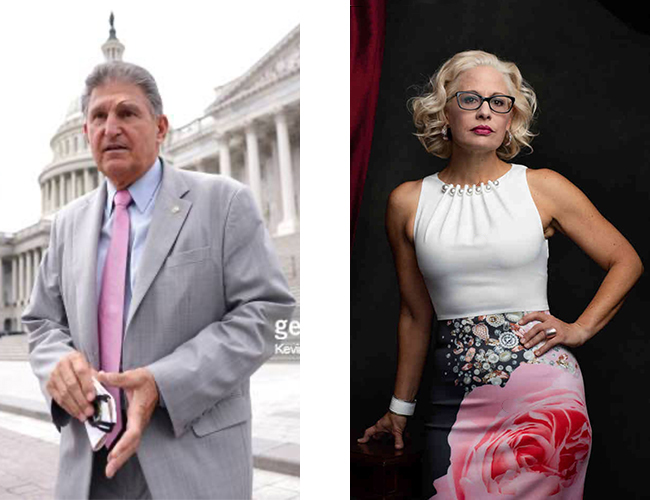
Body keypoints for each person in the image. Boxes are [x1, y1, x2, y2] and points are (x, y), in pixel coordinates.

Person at [357, 50, 643, 498]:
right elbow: (415, 316)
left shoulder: (543, 187)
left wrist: (581, 329)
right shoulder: (407, 202)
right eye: (469, 99)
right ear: (443, 110)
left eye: (500, 101)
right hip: (453, 403)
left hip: (545, 405)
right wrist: (399, 410)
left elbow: (626, 261)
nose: (486, 110)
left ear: (512, 118)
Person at [23, 61, 295, 499]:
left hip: (190, 462)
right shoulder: (67, 225)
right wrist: (56, 362)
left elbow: (266, 313)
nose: (110, 127)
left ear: (161, 126)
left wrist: (164, 382)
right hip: (89, 468)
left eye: (127, 113)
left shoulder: (222, 203)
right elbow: (41, 322)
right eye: (98, 117)